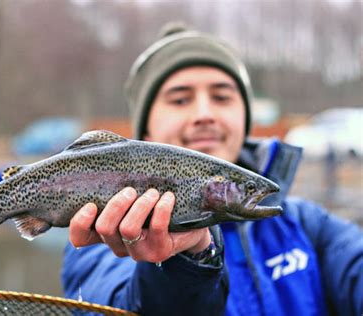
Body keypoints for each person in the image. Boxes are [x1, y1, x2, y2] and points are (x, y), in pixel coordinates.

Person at [61, 23, 363, 315]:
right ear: (146, 136)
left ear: (244, 120)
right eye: (180, 99)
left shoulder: (309, 226)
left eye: (221, 96)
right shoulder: (98, 237)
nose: (204, 114)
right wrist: (187, 261)